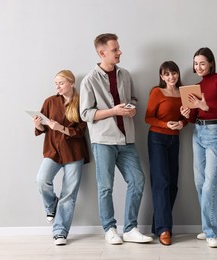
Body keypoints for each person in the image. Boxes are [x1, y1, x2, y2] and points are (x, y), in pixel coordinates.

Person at [79, 33, 152, 245]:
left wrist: (131, 108)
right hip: (103, 141)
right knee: (105, 187)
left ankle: (130, 229)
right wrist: (113, 111)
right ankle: (110, 228)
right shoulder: (89, 80)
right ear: (102, 53)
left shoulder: (125, 75)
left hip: (127, 139)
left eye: (118, 48)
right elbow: (86, 114)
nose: (120, 52)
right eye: (115, 50)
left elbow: (133, 99)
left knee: (137, 180)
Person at [180, 47, 217, 248]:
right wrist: (187, 113)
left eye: (202, 63)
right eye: (195, 63)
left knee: (210, 183)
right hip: (197, 134)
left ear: (210, 63)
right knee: (200, 182)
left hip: (214, 133)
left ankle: (210, 232)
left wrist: (205, 106)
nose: (198, 67)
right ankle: (214, 227)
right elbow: (194, 118)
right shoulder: (196, 85)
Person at [33, 70, 90, 246]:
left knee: (69, 194)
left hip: (74, 152)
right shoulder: (49, 101)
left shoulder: (82, 102)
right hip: (53, 150)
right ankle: (51, 206)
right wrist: (38, 125)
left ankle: (60, 232)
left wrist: (60, 128)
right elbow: (43, 128)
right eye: (56, 83)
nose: (57, 86)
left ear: (71, 83)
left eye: (61, 83)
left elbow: (81, 131)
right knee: (42, 180)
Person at [145, 61, 187, 246]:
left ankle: (158, 225)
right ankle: (164, 229)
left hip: (174, 139)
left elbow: (187, 116)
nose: (171, 77)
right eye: (167, 74)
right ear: (161, 77)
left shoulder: (185, 92)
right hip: (157, 139)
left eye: (174, 73)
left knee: (172, 185)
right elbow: (148, 117)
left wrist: (182, 124)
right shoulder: (157, 92)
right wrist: (165, 124)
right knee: (161, 182)